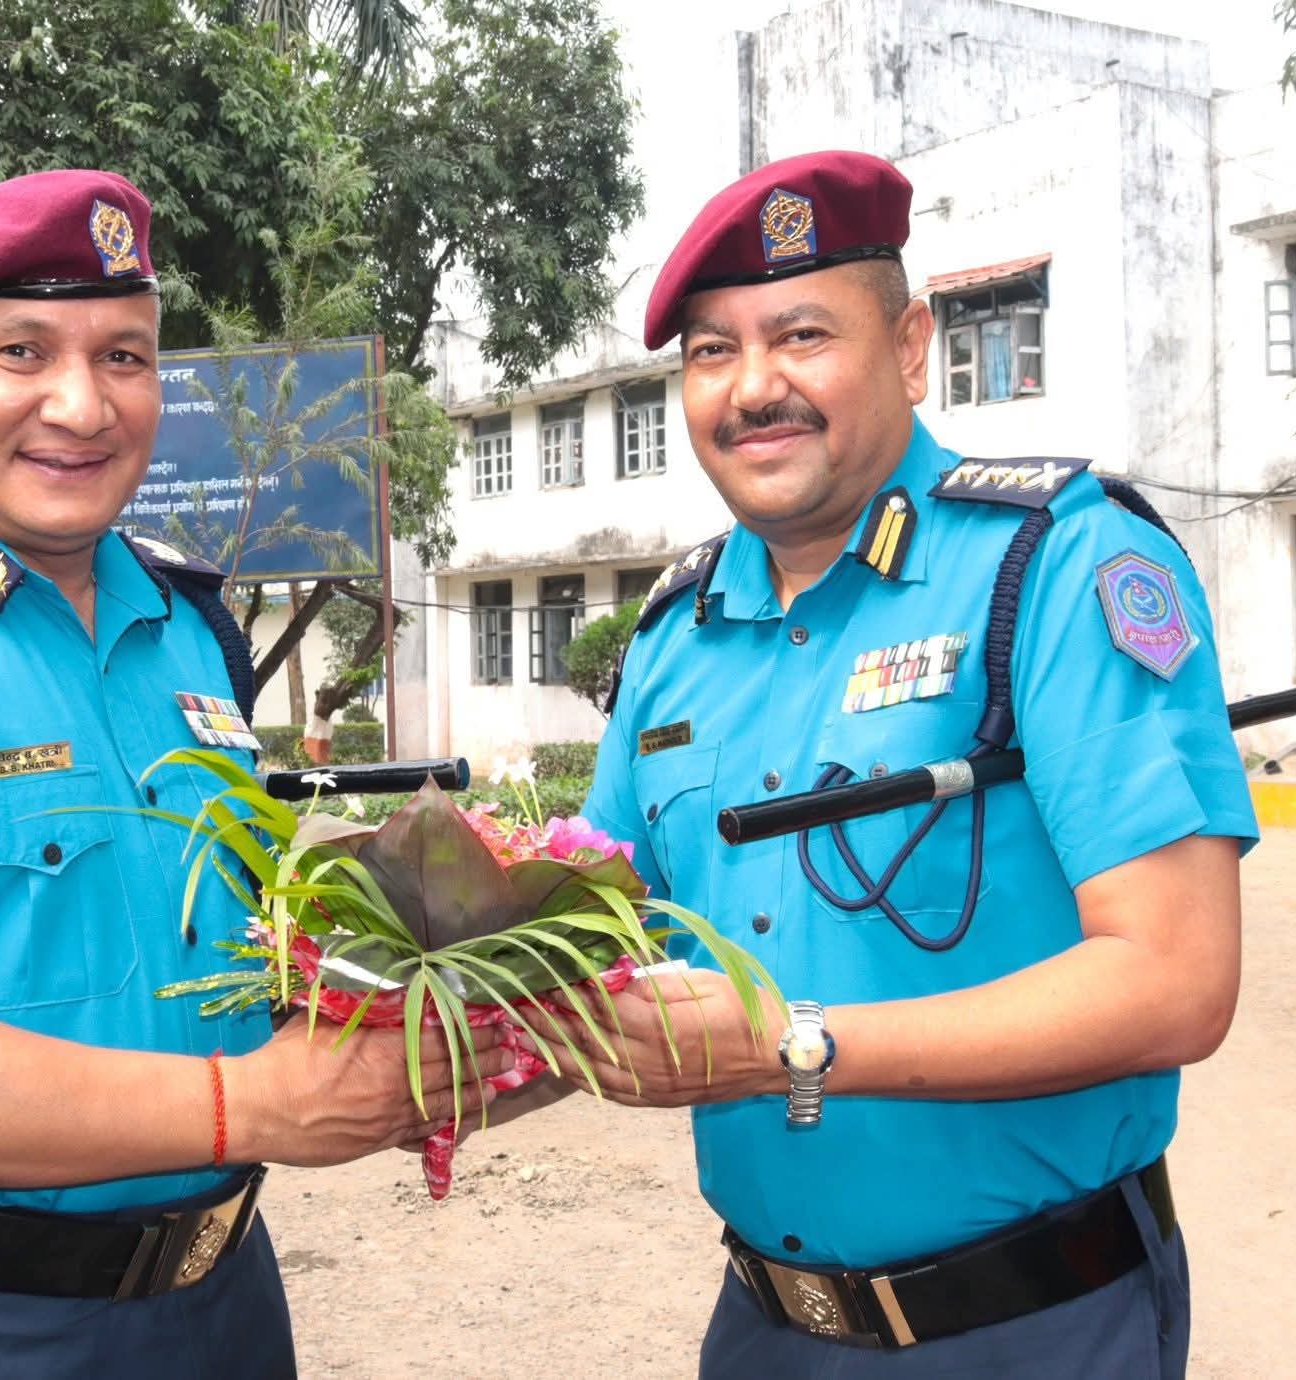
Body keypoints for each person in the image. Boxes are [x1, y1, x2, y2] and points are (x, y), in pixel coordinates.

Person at [0, 169, 506, 1380]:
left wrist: (439, 1017)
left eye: (124, 356)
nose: (81, 403)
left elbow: (218, 956)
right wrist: (256, 1106)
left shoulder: (185, 632)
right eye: (20, 351)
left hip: (220, 1304)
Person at [531, 151, 1255, 1377]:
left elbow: (1175, 981)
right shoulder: (672, 634)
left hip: (1027, 1328)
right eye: (711, 351)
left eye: (800, 334)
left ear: (910, 346)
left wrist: (793, 1043)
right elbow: (592, 936)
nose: (752, 387)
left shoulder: (1057, 568)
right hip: (762, 1328)